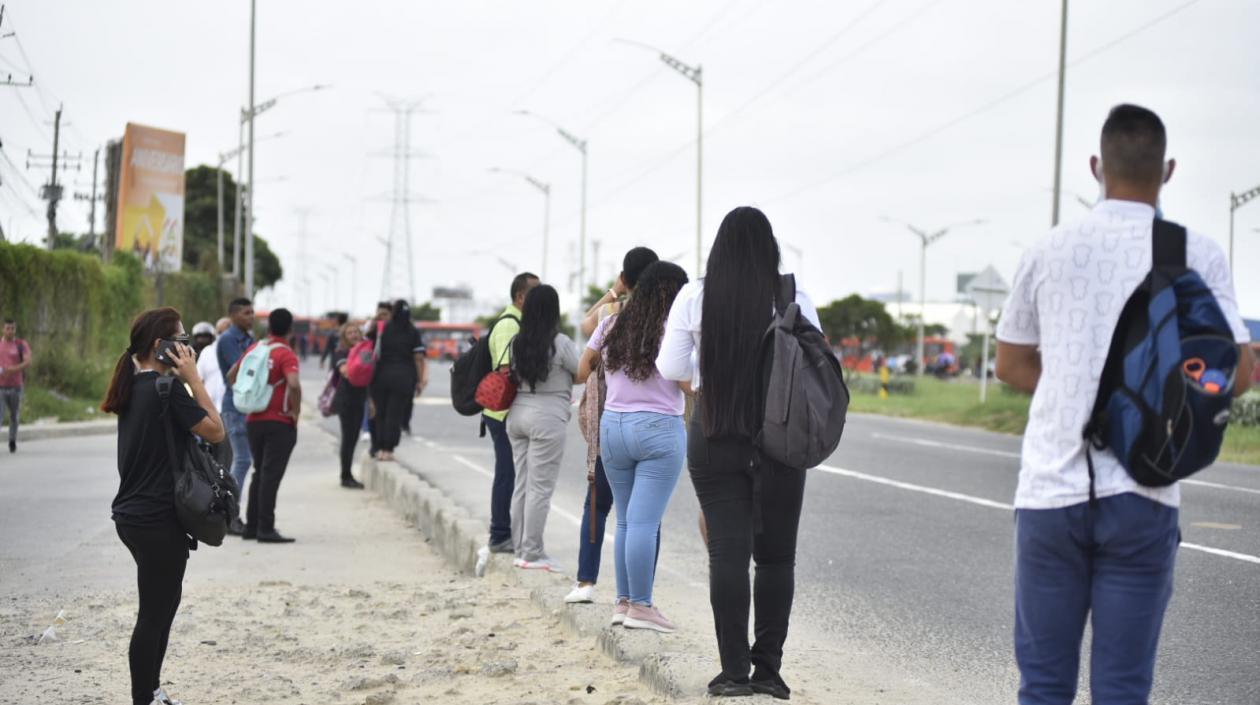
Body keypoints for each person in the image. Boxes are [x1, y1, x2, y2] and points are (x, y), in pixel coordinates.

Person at [995, 105, 1255, 705]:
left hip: (1050, 494)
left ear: (1096, 167)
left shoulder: (1048, 249)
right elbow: (1234, 375)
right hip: (1147, 489)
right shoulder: (1196, 252)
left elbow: (1011, 363)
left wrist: (1080, 392)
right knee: (1123, 689)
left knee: (1043, 687)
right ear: (1167, 170)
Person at [657, 206, 821, 699]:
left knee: (727, 553)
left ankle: (733, 674)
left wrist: (704, 386)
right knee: (776, 560)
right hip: (780, 437)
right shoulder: (792, 296)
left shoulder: (695, 295)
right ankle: (769, 672)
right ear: (769, 248)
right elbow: (818, 363)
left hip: (715, 431)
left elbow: (669, 367)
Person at [101, 307, 225, 705]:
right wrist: (193, 377)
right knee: (154, 613)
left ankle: (152, 690)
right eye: (182, 340)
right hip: (156, 520)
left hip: (133, 516)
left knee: (163, 605)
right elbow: (216, 430)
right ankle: (145, 697)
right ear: (160, 345)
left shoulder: (134, 387)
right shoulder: (168, 391)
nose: (187, 348)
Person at [578, 261, 689, 632]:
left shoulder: (611, 324)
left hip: (613, 427)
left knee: (626, 520)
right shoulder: (674, 331)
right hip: (658, 428)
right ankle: (642, 606)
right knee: (644, 522)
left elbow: (584, 366)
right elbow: (689, 385)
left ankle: (623, 603)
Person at [565, 247, 659, 605]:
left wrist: (614, 290)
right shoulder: (663, 317)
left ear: (626, 278)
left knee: (599, 503)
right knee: (646, 515)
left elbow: (585, 325)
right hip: (651, 422)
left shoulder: (612, 314)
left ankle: (587, 582)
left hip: (609, 420)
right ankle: (639, 595)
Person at [507, 284, 578, 572]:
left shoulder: (517, 341)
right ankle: (532, 553)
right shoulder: (561, 343)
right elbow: (581, 371)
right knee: (540, 488)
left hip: (518, 413)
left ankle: (520, 547)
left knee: (521, 484)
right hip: (547, 415)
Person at [228, 308, 302, 543]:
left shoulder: (255, 348)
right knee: (271, 475)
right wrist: (296, 410)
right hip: (279, 421)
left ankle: (251, 527)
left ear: (268, 326)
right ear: (290, 329)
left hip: (253, 420)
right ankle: (266, 529)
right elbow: (293, 383)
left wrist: (249, 396)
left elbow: (232, 375)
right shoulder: (286, 354)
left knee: (259, 473)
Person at [483, 273, 539, 553]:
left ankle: (506, 532)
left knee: (512, 472)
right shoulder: (509, 325)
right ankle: (499, 534)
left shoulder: (519, 323)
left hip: (506, 411)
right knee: (507, 473)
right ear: (520, 297)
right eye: (535, 292)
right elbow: (507, 370)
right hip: (500, 413)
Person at [368, 300, 428, 462]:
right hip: (404, 377)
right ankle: (389, 449)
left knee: (380, 413)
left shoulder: (383, 328)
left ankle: (380, 448)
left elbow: (368, 345)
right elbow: (418, 357)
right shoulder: (413, 331)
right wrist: (421, 380)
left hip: (380, 376)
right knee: (395, 414)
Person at [216, 298, 255, 533]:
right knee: (242, 460)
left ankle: (233, 514)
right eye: (246, 313)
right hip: (235, 407)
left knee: (245, 461)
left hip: (249, 407)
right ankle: (230, 515)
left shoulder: (249, 339)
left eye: (252, 313)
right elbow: (241, 373)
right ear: (233, 316)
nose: (251, 317)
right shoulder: (229, 340)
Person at [332, 322, 368, 488]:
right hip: (346, 400)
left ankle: (347, 474)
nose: (353, 335)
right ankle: (345, 476)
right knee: (348, 438)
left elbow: (370, 376)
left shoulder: (365, 352)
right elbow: (346, 372)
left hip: (361, 399)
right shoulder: (341, 352)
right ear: (344, 337)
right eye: (349, 333)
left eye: (356, 332)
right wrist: (359, 359)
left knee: (353, 438)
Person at [0, 319, 33, 454]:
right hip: (1, 387)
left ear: (15, 330)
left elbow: (27, 362)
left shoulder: (21, 345)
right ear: (3, 329)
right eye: (7, 328)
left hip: (16, 387)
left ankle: (12, 440)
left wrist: (12, 369)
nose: (10, 331)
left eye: (12, 328)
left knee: (14, 415)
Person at [366, 302, 393, 457]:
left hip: (390, 377)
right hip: (373, 375)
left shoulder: (397, 331)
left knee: (388, 413)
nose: (382, 317)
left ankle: (385, 445)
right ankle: (374, 444)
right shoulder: (372, 329)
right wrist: (375, 323)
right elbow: (364, 342)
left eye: (385, 314)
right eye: (380, 314)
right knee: (373, 411)